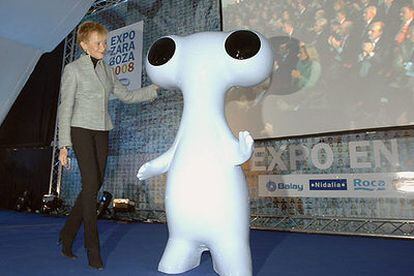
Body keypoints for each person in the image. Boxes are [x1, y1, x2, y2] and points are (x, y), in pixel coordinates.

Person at [57, 21, 158, 270]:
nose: (104, 46)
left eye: (104, 42)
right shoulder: (73, 70)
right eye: (98, 43)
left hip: (102, 130)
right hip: (79, 129)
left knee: (94, 184)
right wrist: (63, 145)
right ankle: (93, 248)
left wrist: (155, 89)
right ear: (84, 45)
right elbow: (65, 107)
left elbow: (127, 96)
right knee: (90, 183)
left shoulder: (107, 69)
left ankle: (67, 234)